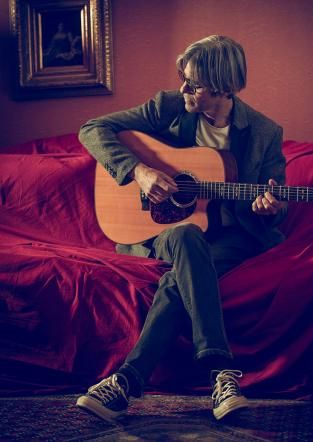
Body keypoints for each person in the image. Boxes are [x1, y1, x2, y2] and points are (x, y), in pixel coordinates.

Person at [76, 35, 287, 422]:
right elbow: (92, 129)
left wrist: (268, 208)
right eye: (184, 79)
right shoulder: (169, 108)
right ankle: (221, 372)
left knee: (179, 278)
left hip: (229, 237)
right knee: (187, 234)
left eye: (195, 84)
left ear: (223, 87)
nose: (184, 89)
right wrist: (139, 172)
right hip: (166, 229)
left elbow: (275, 208)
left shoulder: (264, 133)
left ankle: (126, 380)